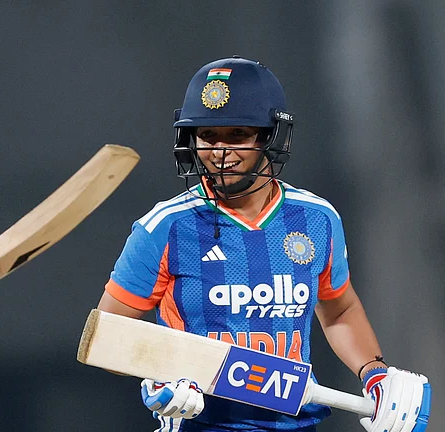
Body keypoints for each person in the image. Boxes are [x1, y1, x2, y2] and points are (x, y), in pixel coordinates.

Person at [96, 56, 431, 431]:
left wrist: (375, 374)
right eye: (207, 136)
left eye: (237, 134)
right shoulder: (165, 227)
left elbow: (339, 310)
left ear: (272, 136)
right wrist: (162, 374)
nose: (220, 153)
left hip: (297, 424)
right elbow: (108, 336)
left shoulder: (317, 219)